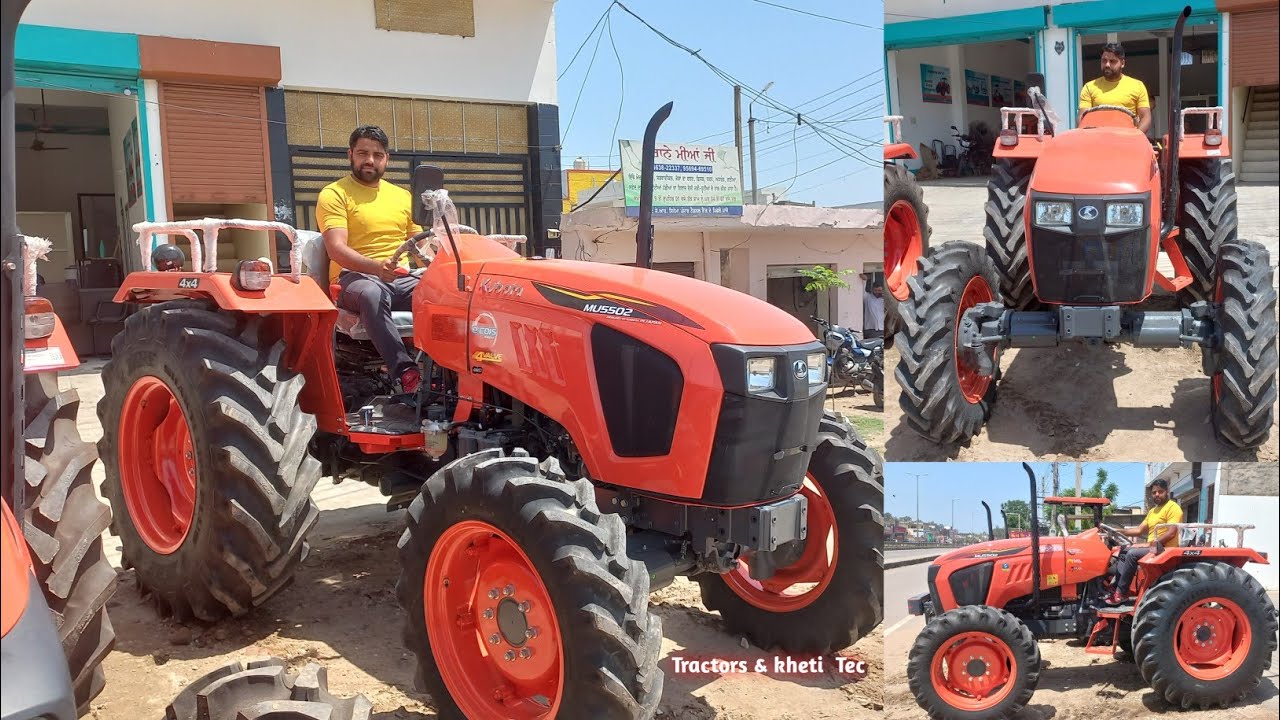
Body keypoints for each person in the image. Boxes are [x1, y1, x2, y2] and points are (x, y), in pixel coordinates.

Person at [316, 125, 424, 393]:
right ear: (350, 155)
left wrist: (442, 270)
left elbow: (421, 246)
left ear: (387, 159)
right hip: (354, 279)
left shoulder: (402, 196)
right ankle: (405, 372)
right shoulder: (335, 194)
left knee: (450, 292)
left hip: (400, 278)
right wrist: (377, 268)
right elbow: (337, 249)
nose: (370, 160)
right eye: (363, 153)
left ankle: (452, 368)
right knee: (372, 294)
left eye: (377, 155)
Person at [1104, 478, 1182, 605]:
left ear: (1166, 491)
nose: (1157, 494)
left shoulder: (1173, 508)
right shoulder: (1152, 511)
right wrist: (1117, 531)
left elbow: (1171, 532)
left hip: (1164, 548)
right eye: (1154, 492)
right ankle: (1116, 587)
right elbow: (1139, 530)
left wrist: (1153, 543)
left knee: (1132, 554)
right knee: (1123, 550)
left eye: (1160, 491)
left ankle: (1121, 593)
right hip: (1153, 547)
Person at [1078, 42, 1152, 134]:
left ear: (1122, 63)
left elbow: (1145, 117)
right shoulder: (1089, 87)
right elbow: (1082, 118)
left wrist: (1135, 137)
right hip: (1098, 138)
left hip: (1127, 138)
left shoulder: (1137, 86)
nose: (1107, 65)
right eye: (1104, 61)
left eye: (1112, 61)